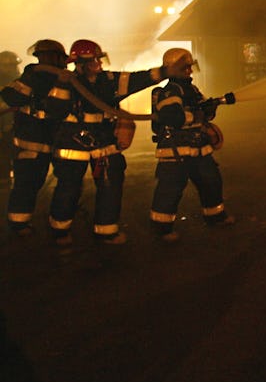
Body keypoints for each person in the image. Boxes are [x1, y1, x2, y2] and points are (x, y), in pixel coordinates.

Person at [45, 39, 183, 246]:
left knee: (111, 183)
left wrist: (165, 72)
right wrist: (62, 84)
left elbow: (138, 79)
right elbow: (54, 110)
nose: (99, 64)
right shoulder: (68, 82)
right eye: (94, 61)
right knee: (69, 186)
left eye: (100, 60)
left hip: (103, 139)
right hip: (72, 141)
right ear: (80, 64)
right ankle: (60, 230)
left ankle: (106, 231)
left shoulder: (108, 81)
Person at [150, 47, 235, 242]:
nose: (189, 71)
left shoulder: (193, 90)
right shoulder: (170, 91)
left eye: (190, 67)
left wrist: (211, 107)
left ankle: (215, 216)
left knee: (211, 180)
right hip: (175, 150)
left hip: (198, 147)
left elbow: (205, 113)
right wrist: (197, 113)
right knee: (170, 189)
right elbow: (173, 117)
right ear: (172, 69)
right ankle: (162, 228)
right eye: (185, 68)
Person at [1, 41, 68, 236]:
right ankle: (19, 224)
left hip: (56, 138)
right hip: (32, 140)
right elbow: (11, 98)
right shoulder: (32, 76)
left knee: (66, 184)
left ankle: (57, 223)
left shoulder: (64, 78)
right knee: (28, 183)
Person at [0, 50, 22, 182]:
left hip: (15, 125)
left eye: (14, 65)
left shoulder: (19, 81)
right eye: (8, 66)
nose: (13, 68)